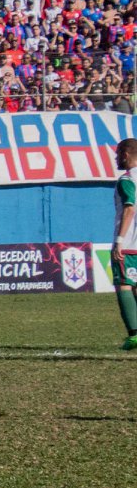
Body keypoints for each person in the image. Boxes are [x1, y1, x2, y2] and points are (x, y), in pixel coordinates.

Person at [108, 138, 137, 350]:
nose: (116, 157)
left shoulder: (127, 179)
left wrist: (119, 241)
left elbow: (129, 208)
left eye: (118, 153)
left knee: (124, 284)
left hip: (128, 243)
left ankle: (134, 334)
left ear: (126, 155)